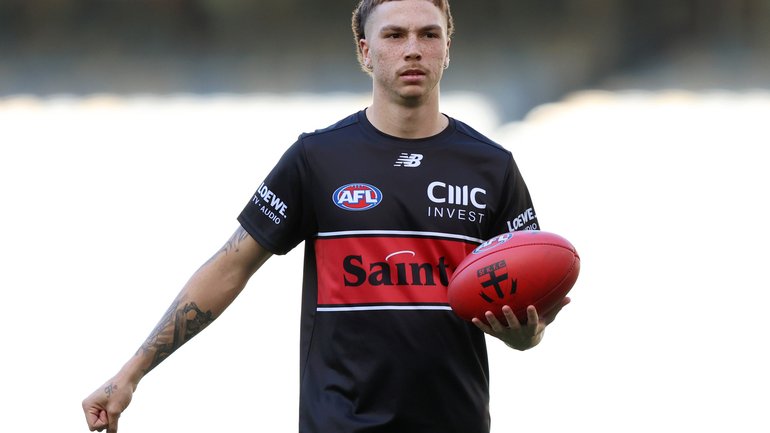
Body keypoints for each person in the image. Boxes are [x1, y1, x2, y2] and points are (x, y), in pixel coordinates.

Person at [82, 0, 570, 432]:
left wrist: (528, 335)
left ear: (447, 49)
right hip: (340, 423)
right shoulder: (317, 158)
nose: (413, 49)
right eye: (394, 35)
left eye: (429, 34)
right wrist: (130, 374)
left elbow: (527, 300)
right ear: (365, 51)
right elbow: (230, 267)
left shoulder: (492, 166)